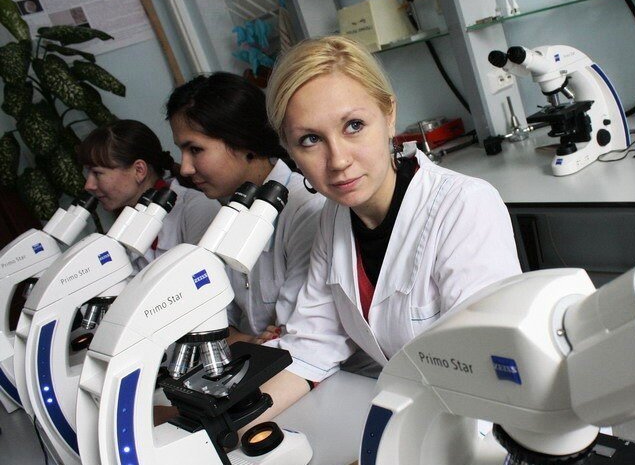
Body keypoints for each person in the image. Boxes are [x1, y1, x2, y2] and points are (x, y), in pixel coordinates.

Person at [252, 36, 522, 421]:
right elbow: (312, 346)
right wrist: (224, 428)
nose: (338, 160)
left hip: (485, 420)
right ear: (290, 151)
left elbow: (489, 366)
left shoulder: (464, 205)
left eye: (354, 125)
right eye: (310, 139)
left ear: (389, 115)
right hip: (417, 413)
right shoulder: (334, 217)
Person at [166, 72, 324, 345]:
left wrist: (242, 338)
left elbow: (297, 334)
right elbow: (208, 323)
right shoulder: (228, 213)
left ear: (242, 141)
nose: (185, 168)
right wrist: (247, 340)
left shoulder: (306, 210)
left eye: (196, 150)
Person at [78, 119, 220, 266]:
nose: (88, 185)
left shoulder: (197, 207)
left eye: (97, 173)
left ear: (139, 170)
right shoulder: (125, 224)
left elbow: (205, 274)